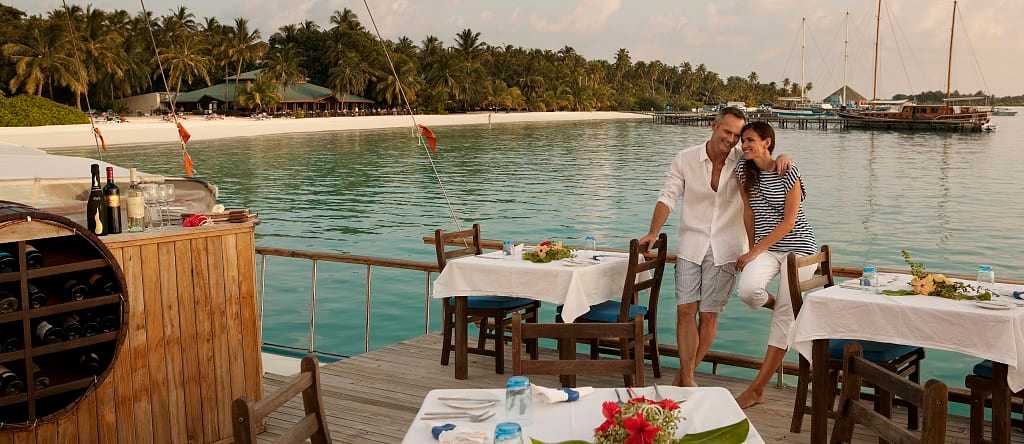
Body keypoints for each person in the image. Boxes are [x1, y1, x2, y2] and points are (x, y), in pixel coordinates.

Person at [639, 108, 789, 387]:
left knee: (708, 316)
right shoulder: (685, 159)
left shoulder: (743, 162)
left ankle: (685, 378)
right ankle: (687, 379)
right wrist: (653, 232)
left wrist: (782, 157)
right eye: (727, 132)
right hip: (691, 246)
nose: (732, 140)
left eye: (737, 135)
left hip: (727, 248)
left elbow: (768, 164)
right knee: (685, 311)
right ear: (713, 126)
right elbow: (667, 196)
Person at [732, 121, 818, 408]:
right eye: (743, 141)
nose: (744, 145)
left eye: (750, 140)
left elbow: (789, 222)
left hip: (799, 249)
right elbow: (748, 211)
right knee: (747, 290)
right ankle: (790, 305)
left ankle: (757, 388)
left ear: (767, 142)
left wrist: (754, 250)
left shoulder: (788, 170)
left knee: (783, 319)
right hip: (768, 250)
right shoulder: (743, 171)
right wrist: (751, 249)